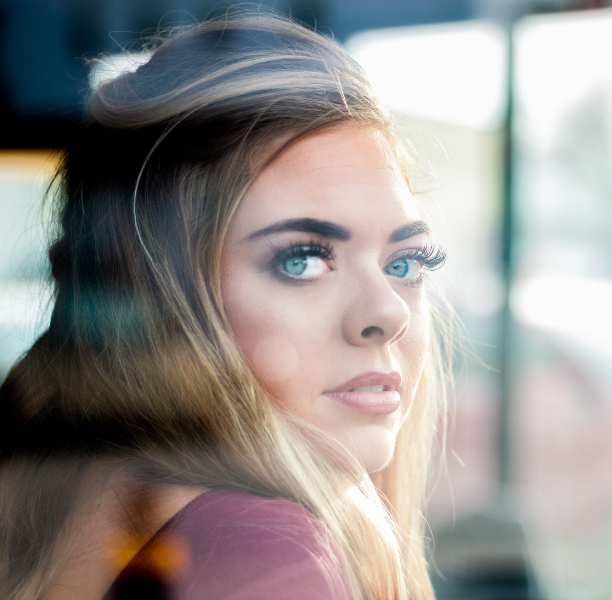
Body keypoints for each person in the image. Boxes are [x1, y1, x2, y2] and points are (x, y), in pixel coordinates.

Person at [0, 14, 452, 600]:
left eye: (405, 264)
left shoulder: (65, 492)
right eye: (302, 260)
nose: (387, 314)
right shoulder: (265, 552)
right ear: (162, 297)